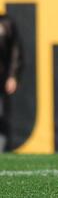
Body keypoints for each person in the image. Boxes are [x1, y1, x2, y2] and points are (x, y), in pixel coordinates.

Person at [0, 14, 23, 151]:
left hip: (1, 78)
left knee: (1, 115)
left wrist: (13, 75)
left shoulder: (6, 23)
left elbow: (16, 50)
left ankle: (2, 150)